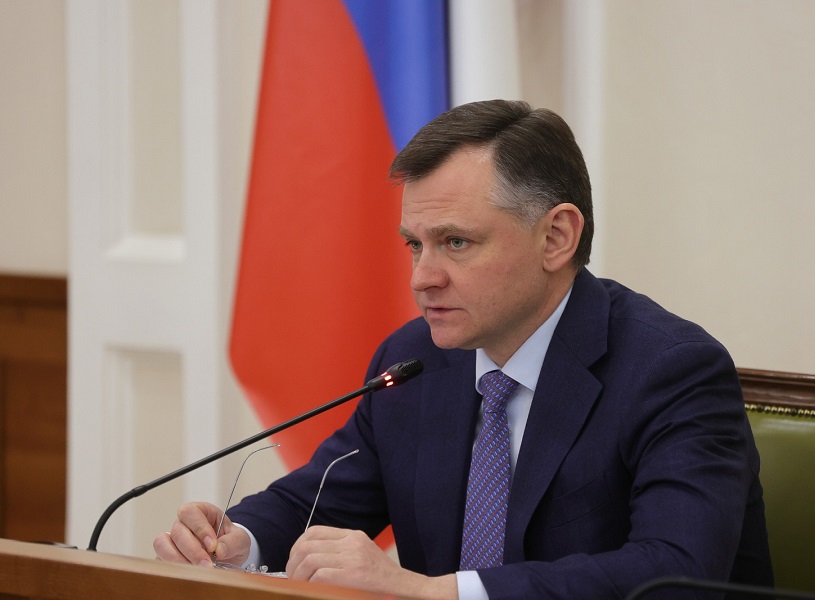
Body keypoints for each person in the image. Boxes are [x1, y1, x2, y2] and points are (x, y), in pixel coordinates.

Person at [154, 99, 773, 599]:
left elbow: (673, 575)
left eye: (455, 243)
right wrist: (239, 542)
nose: (422, 278)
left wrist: (436, 593)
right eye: (414, 245)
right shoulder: (416, 361)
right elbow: (320, 497)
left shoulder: (671, 372)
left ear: (556, 237)